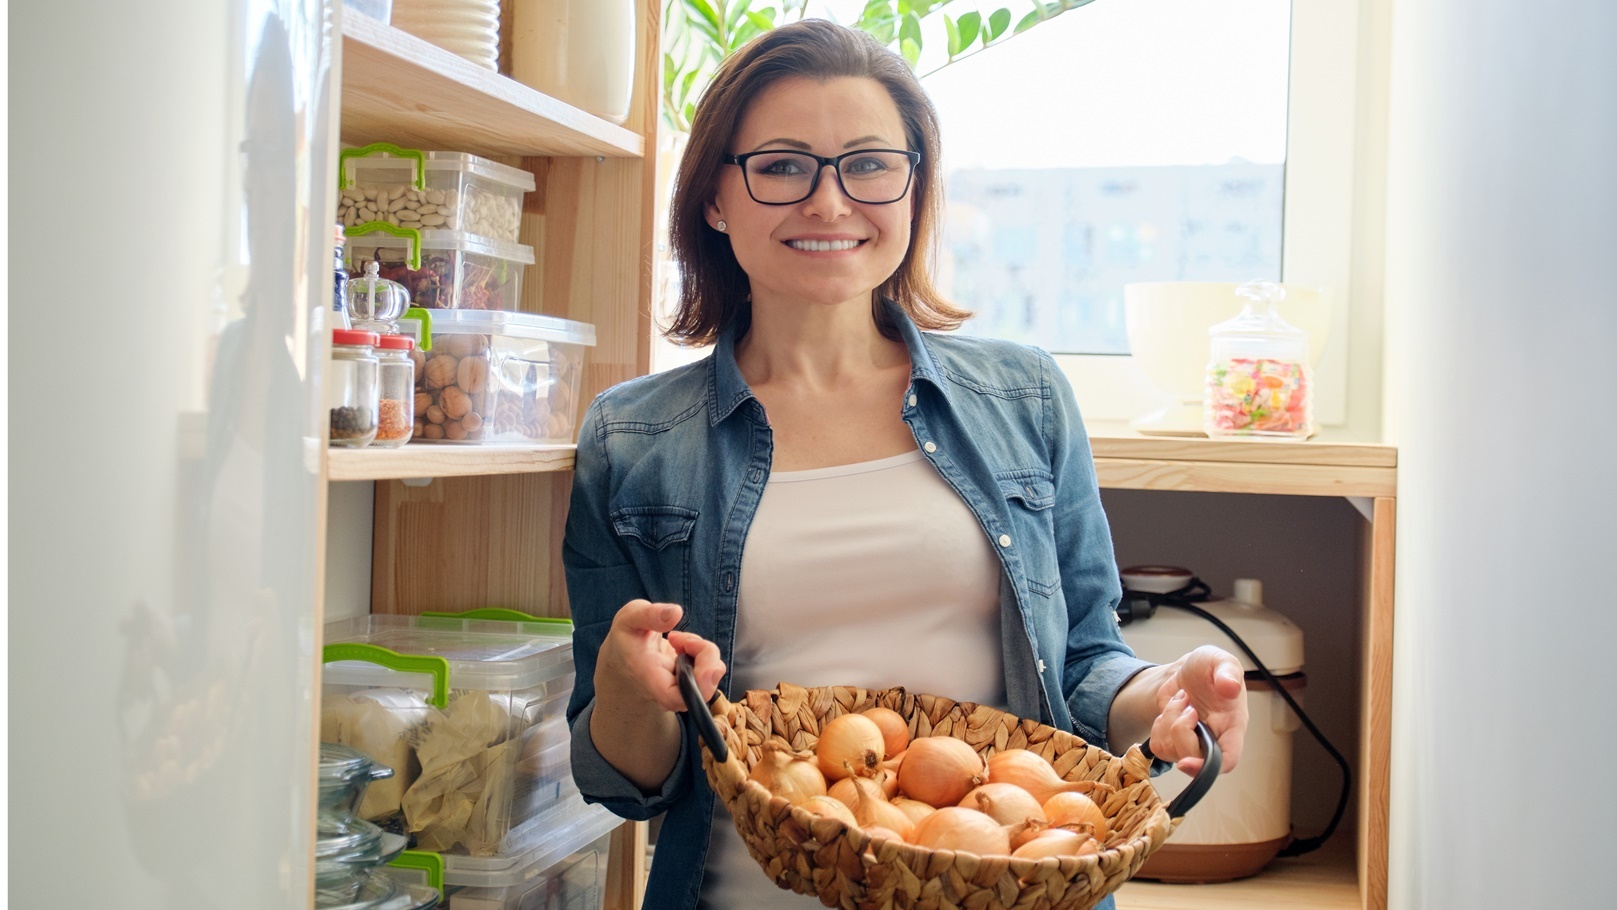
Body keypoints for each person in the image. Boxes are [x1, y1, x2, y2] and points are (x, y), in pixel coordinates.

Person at [563, 18, 1249, 910]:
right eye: (782, 166)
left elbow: (1084, 666)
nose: (828, 202)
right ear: (714, 199)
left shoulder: (1025, 397)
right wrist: (627, 689)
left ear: (914, 190)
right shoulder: (633, 438)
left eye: (868, 164)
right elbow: (627, 782)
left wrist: (1164, 698)